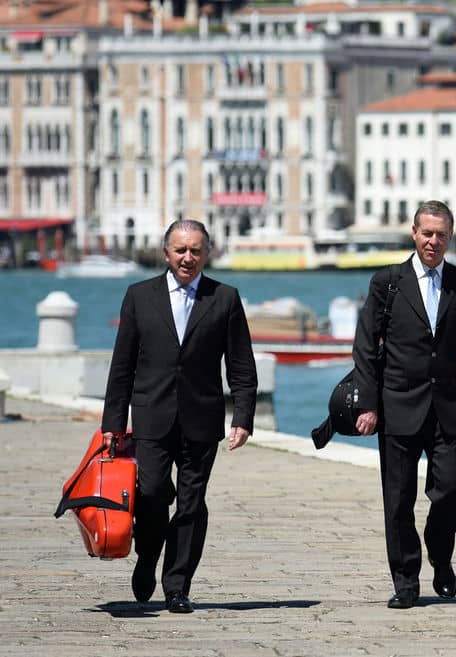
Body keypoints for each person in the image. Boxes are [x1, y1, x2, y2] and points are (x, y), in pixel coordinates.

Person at [101, 219, 257, 614]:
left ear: (208, 252)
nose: (188, 258)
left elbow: (241, 364)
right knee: (151, 495)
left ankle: (177, 586)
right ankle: (147, 557)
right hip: (152, 417)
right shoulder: (139, 296)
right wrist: (112, 426)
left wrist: (242, 416)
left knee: (191, 504)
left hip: (202, 419)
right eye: (180, 250)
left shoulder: (225, 298)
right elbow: (122, 366)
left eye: (195, 250)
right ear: (166, 252)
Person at [352, 200, 456, 609]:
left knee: (449, 491)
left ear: (450, 238)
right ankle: (406, 582)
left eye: (441, 235)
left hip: (447, 406)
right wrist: (369, 404)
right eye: (427, 233)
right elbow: (365, 348)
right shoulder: (387, 282)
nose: (433, 241)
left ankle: (440, 554)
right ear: (414, 233)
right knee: (397, 499)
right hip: (396, 405)